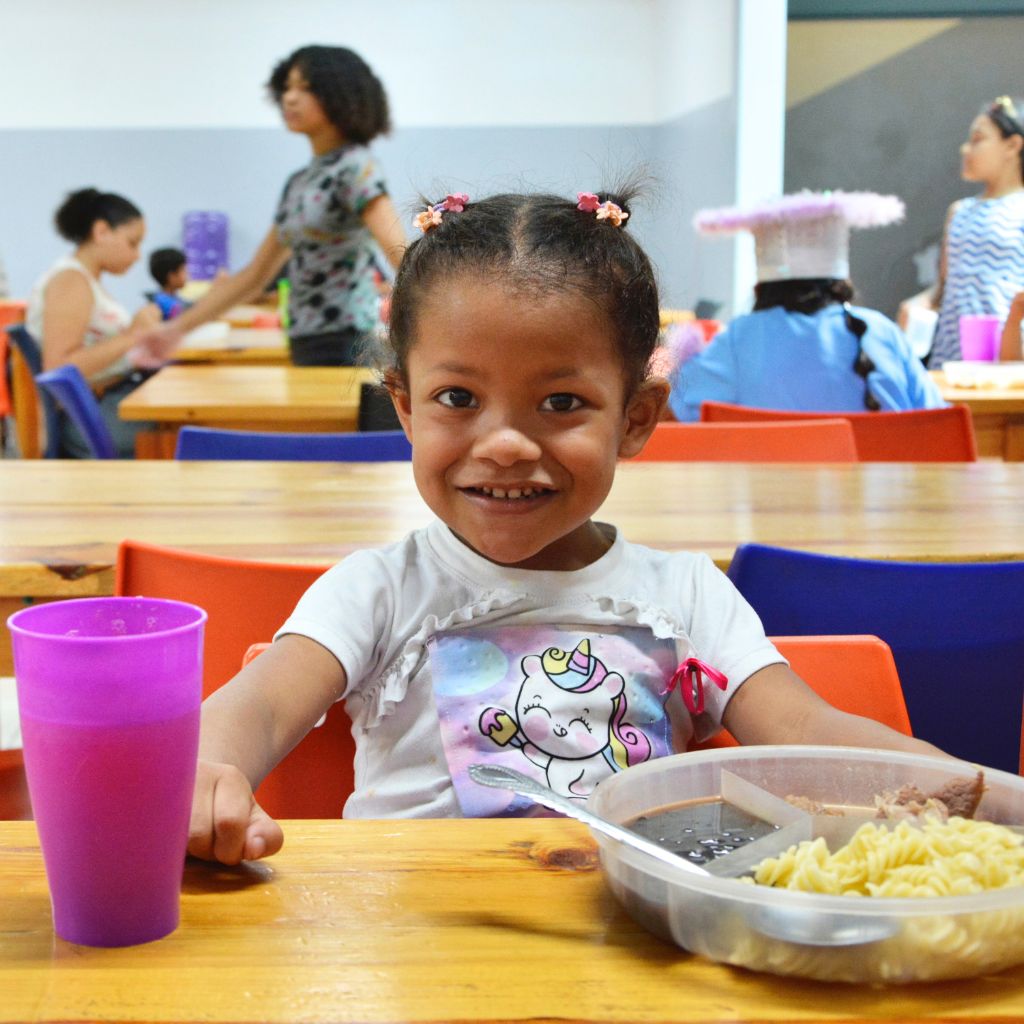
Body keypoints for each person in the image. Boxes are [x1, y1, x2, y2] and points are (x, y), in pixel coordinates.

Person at [185, 187, 952, 865]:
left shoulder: (685, 595)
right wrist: (202, 772)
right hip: (410, 943)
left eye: (561, 403)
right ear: (406, 408)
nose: (505, 444)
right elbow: (262, 705)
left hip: (635, 942)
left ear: (636, 417)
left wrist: (945, 781)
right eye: (457, 398)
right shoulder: (379, 589)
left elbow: (803, 727)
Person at [138, 45, 406, 367]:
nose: (289, 98)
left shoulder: (357, 167)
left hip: (348, 341)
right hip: (304, 339)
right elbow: (254, 275)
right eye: (287, 88)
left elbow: (400, 254)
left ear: (343, 95)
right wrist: (176, 330)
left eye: (306, 88)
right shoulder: (300, 182)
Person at [668, 191, 945, 421]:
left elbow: (672, 411)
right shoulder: (883, 332)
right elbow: (938, 424)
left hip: (772, 474)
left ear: (761, 286)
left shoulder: (739, 339)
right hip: (885, 474)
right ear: (841, 281)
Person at [26, 188, 162, 458]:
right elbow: (59, 367)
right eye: (132, 243)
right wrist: (132, 335)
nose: (137, 255)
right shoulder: (71, 280)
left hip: (107, 399)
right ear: (101, 232)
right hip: (89, 414)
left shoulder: (87, 281)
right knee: (181, 425)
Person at [901, 97, 1024, 366]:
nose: (966, 149)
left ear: (1012, 146)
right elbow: (945, 287)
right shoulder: (959, 211)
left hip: (1010, 352)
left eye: (978, 139)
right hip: (953, 354)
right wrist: (919, 304)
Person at [147, 247, 190, 321]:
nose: (187, 274)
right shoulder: (170, 305)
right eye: (183, 270)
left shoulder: (162, 298)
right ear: (171, 276)